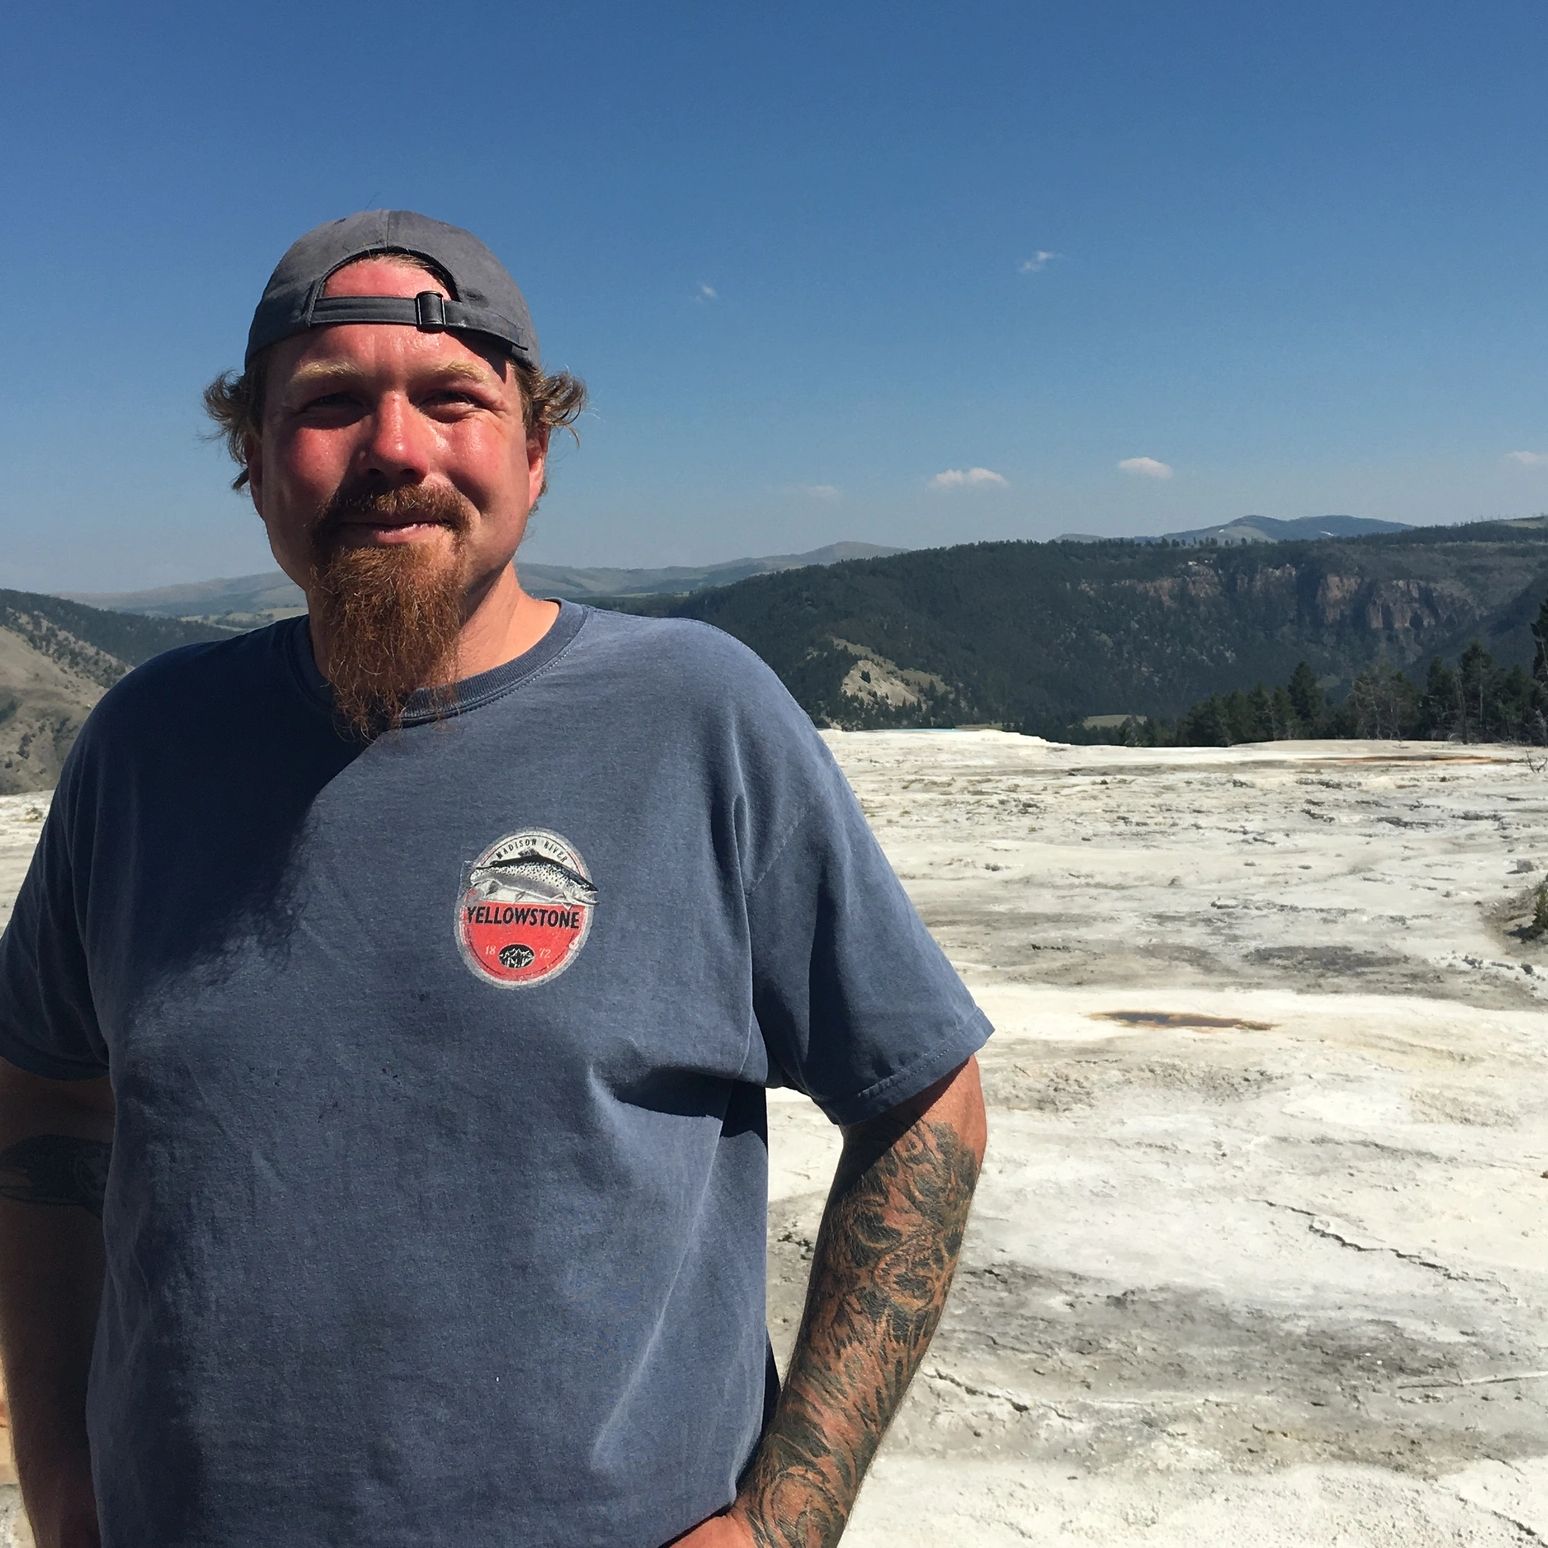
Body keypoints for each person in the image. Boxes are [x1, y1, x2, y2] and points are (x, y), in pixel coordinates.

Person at [0, 211, 991, 1548]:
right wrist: (59, 1471)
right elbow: (46, 1090)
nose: (395, 450)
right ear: (251, 457)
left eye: (451, 400)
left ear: (535, 452)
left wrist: (786, 1522)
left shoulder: (698, 719)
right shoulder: (144, 749)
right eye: (332, 404)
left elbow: (927, 1102)